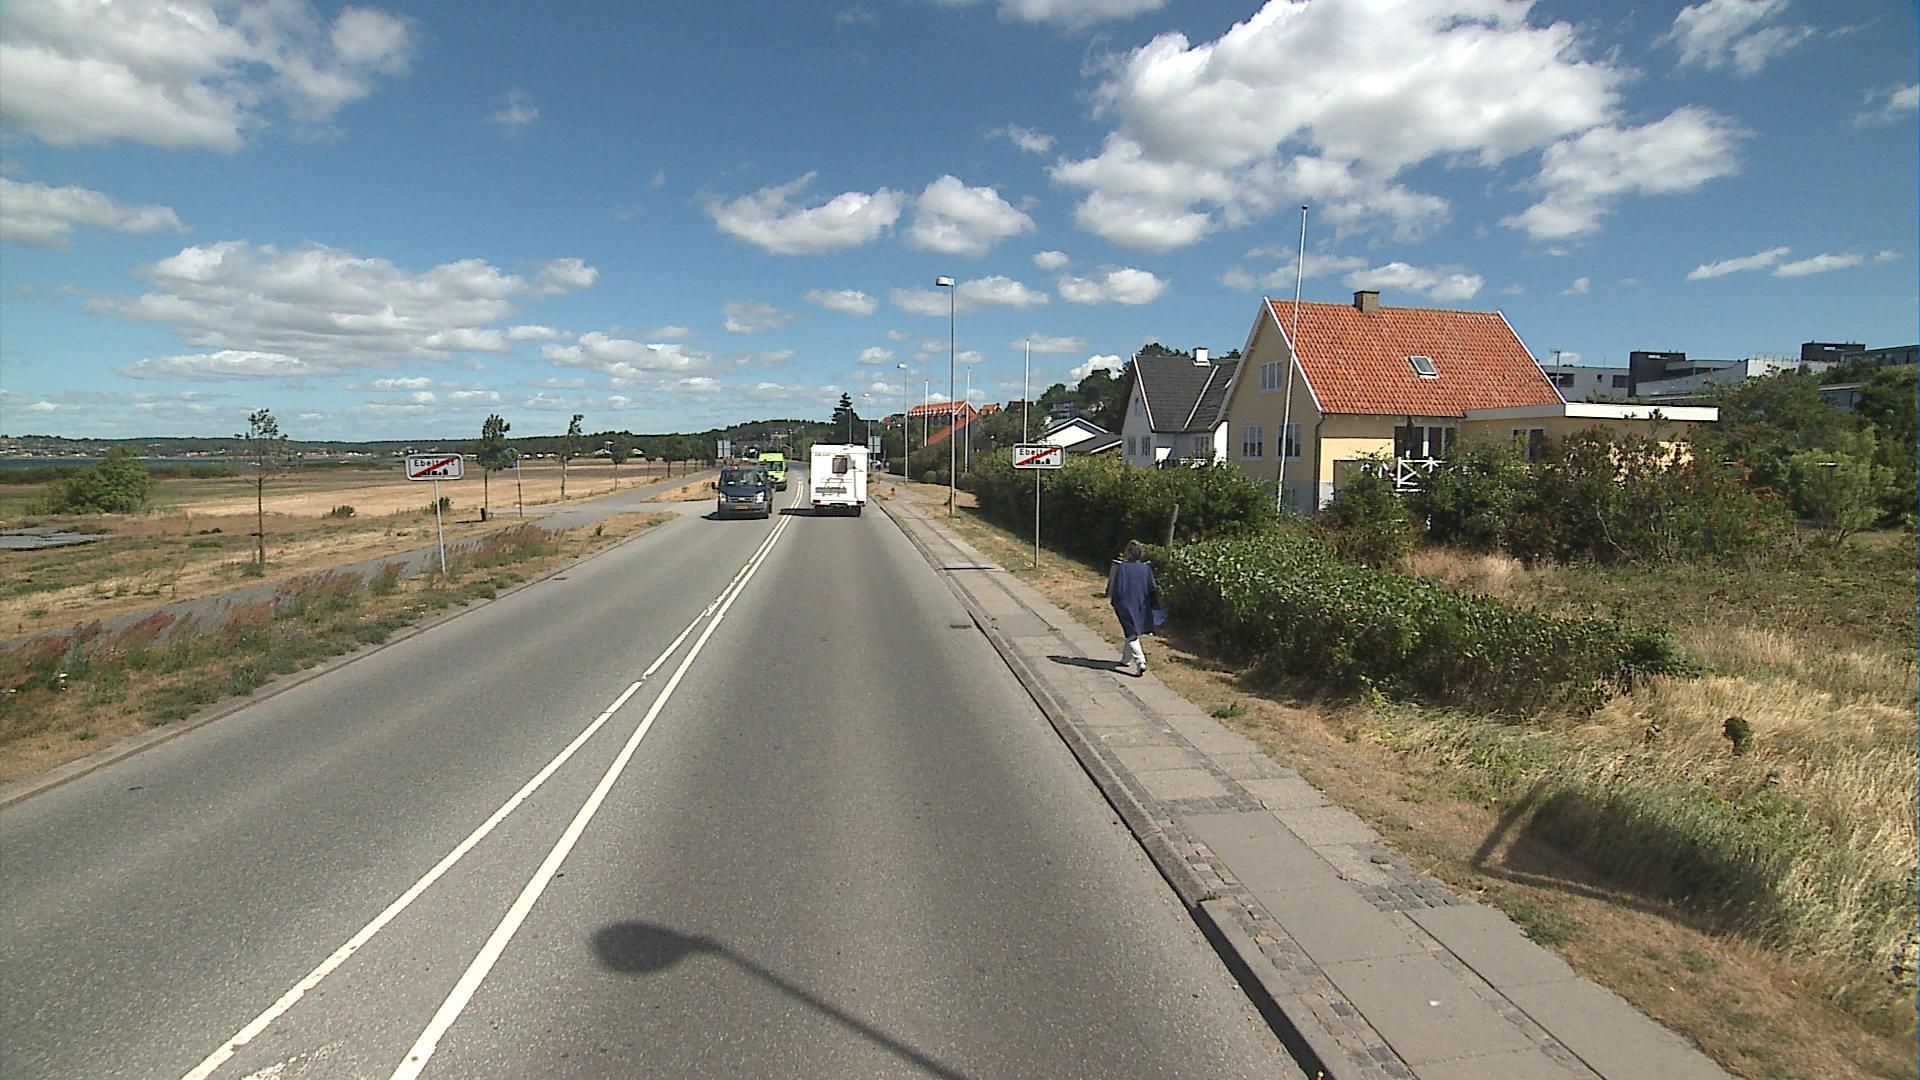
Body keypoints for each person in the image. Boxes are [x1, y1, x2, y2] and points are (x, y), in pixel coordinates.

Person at [1107, 540, 1160, 677]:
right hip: (1141, 603)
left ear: (1128, 553)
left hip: (1125, 604)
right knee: (1132, 630)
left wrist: (1114, 602)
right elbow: (1152, 587)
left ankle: (1140, 660)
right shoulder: (1145, 568)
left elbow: (1117, 588)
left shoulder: (1122, 568)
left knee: (1130, 632)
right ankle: (1126, 659)